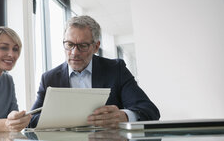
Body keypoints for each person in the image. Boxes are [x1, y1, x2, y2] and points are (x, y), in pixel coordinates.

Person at [29, 15, 159, 128]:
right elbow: (31, 120)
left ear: (96, 47)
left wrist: (124, 116)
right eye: (69, 45)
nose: (74, 53)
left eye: (83, 46)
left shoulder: (115, 69)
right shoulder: (49, 79)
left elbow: (149, 110)